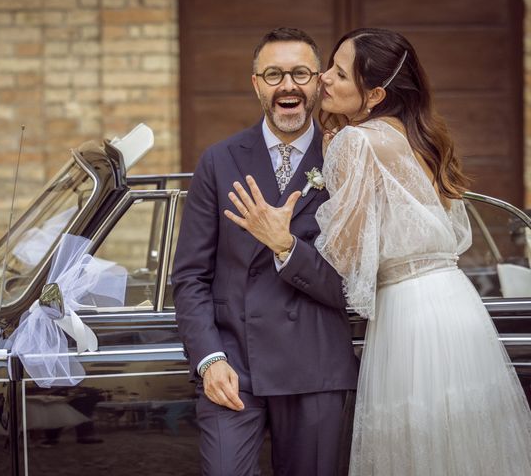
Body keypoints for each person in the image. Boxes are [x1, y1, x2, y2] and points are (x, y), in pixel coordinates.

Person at [230, 27, 531, 475]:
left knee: (414, 451)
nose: (324, 79)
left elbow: (345, 261)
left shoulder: (356, 142)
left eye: (339, 74)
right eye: (329, 67)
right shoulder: (421, 137)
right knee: (462, 448)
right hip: (457, 307)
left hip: (409, 317)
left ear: (373, 94)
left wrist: (283, 240)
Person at [172, 27, 358, 475]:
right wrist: (209, 359)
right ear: (256, 83)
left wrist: (285, 247)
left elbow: (352, 286)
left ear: (317, 83)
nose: (287, 86)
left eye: (299, 73)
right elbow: (190, 277)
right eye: (274, 74)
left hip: (316, 364)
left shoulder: (347, 159)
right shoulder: (218, 160)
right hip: (234, 363)